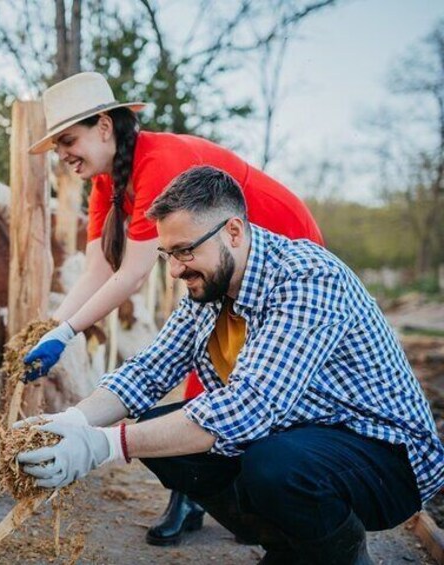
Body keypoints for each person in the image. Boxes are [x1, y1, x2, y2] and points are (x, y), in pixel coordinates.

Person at [17, 165, 444, 564]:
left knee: (273, 466)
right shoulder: (211, 287)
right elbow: (147, 372)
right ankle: (290, 546)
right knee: (160, 433)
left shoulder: (308, 278)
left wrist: (104, 445)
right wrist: (73, 422)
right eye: (167, 254)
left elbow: (249, 408)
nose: (175, 271)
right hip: (304, 435)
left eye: (184, 251)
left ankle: (343, 553)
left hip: (387, 460)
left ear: (234, 232)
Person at [23, 71, 324, 545]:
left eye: (67, 139)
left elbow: (133, 273)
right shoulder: (108, 183)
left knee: (249, 374)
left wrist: (69, 335)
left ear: (104, 126)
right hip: (214, 253)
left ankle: (266, 493)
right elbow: (99, 268)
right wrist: (57, 328)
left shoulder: (158, 161)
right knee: (203, 351)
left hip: (275, 237)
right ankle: (200, 493)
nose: (62, 154)